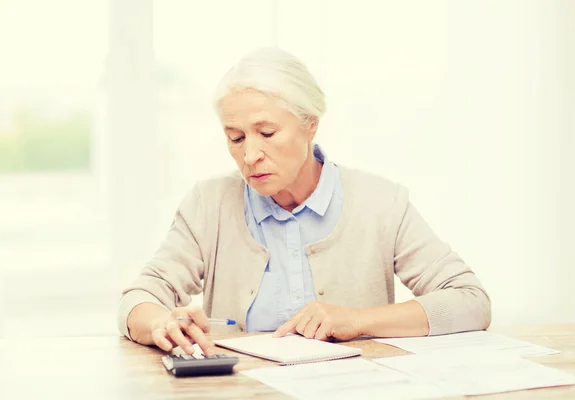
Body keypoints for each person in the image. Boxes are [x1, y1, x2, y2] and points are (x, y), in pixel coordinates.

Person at [118, 47, 491, 357]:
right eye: (235, 138)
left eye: (266, 133)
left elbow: (471, 301)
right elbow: (139, 297)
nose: (250, 155)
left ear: (310, 123)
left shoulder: (381, 203)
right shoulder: (208, 204)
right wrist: (160, 323)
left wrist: (357, 320)